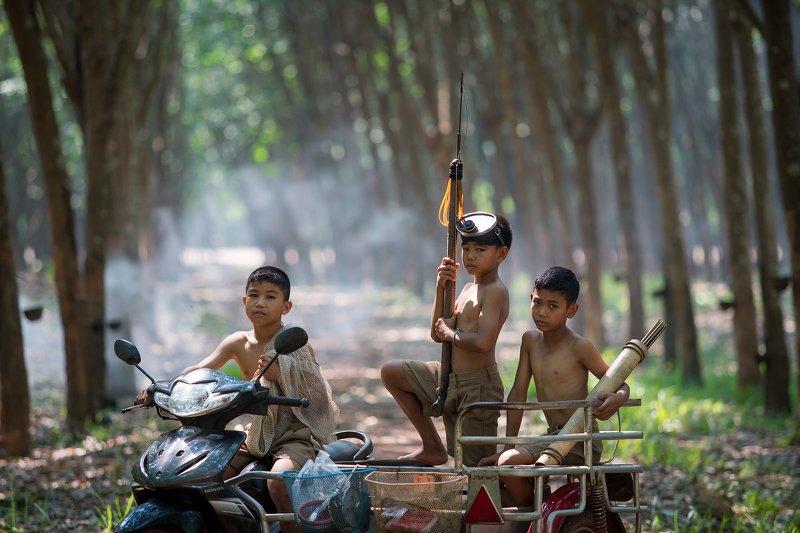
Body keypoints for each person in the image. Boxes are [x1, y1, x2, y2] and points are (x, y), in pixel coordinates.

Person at [136, 266, 338, 533]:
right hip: (253, 434)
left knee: (277, 480)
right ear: (244, 301)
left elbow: (319, 400)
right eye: (254, 295)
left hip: (292, 434)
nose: (260, 303)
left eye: (270, 297)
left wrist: (283, 376)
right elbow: (197, 370)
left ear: (286, 307)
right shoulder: (237, 342)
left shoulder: (294, 345)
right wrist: (161, 388)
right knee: (200, 474)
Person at [478, 266, 630, 507]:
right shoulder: (530, 341)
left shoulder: (579, 346)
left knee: (507, 464)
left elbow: (618, 381)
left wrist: (620, 397)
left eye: (552, 306)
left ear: (571, 310)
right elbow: (518, 393)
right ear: (530, 299)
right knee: (501, 479)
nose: (542, 312)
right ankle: (541, 504)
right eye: (537, 303)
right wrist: (507, 446)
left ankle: (541, 506)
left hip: (580, 438)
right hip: (552, 435)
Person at [381, 212, 512, 467]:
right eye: (466, 248)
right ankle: (431, 446)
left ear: (501, 254)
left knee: (476, 468)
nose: (470, 256)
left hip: (478, 388)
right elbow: (436, 333)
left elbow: (484, 342)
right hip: (448, 378)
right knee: (391, 372)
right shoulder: (464, 289)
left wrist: (452, 334)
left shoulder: (495, 290)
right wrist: (440, 287)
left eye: (480, 249)